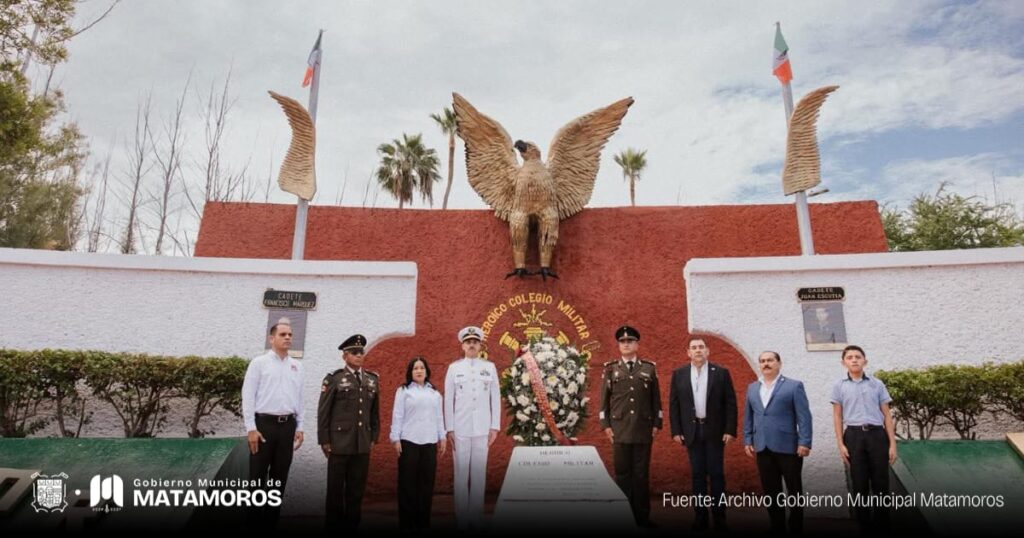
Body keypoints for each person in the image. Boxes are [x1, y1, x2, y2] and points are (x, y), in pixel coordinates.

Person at [668, 336, 737, 532]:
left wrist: (730, 429)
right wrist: (676, 430)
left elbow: (730, 403)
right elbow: (674, 405)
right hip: (692, 431)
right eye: (694, 347)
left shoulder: (721, 373)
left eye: (701, 347)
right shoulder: (679, 374)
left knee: (717, 475)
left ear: (707, 351)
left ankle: (720, 517)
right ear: (688, 352)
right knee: (697, 475)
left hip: (715, 431)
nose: (698, 350)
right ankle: (700, 517)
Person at [241, 320, 305, 528]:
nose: (287, 338)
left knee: (279, 479)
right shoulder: (259, 363)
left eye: (290, 335)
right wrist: (251, 428)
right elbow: (248, 396)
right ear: (271, 338)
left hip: (287, 427)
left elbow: (300, 399)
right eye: (283, 334)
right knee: (257, 478)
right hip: (264, 426)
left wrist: (300, 426)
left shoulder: (297, 366)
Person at [598, 325, 662, 528]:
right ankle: (623, 516)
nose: (626, 344)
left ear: (637, 345)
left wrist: (657, 423)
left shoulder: (649, 368)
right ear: (619, 346)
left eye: (630, 341)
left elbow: (656, 400)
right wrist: (605, 425)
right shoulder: (611, 369)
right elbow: (603, 402)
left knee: (641, 475)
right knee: (623, 475)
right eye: (623, 342)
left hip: (643, 428)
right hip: (619, 430)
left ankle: (642, 517)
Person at [742, 351, 812, 534]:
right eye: (762, 361)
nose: (766, 363)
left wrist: (805, 442)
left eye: (770, 360)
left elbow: (804, 417)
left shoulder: (794, 386)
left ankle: (796, 526)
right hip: (762, 446)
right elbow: (749, 416)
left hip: (789, 447)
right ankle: (777, 525)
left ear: (779, 363)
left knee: (794, 489)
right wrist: (747, 439)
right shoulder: (752, 388)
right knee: (771, 490)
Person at [831, 344, 896, 533]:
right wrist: (840, 444)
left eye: (857, 357)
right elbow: (837, 416)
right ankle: (864, 527)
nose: (854, 360)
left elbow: (887, 415)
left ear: (865, 361)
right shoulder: (839, 386)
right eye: (850, 357)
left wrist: (892, 444)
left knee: (881, 483)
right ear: (843, 362)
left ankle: (882, 527)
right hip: (853, 436)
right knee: (859, 485)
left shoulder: (877, 384)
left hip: (877, 435)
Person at [318, 334, 380, 531]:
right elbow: (324, 412)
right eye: (354, 352)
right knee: (335, 491)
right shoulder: (334, 379)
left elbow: (374, 412)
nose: (359, 355)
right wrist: (324, 440)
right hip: (339, 443)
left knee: (356, 491)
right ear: (344, 356)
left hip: (362, 444)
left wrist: (374, 437)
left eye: (361, 352)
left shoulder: (372, 380)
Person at [444, 326, 501, 531]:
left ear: (480, 346)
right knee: (461, 472)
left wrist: (494, 427)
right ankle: (462, 518)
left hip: (483, 428)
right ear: (462, 346)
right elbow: (448, 399)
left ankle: (476, 518)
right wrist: (449, 428)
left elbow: (496, 397)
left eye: (475, 342)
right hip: (460, 427)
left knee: (478, 473)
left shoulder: (490, 367)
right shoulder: (454, 368)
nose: (471, 345)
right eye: (468, 342)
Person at [390, 356, 447, 530]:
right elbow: (397, 415)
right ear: (410, 372)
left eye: (422, 368)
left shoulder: (434, 393)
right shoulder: (403, 391)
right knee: (407, 485)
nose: (419, 371)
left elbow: (439, 417)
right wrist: (395, 438)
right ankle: (407, 524)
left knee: (426, 485)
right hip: (409, 442)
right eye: (415, 368)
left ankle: (423, 523)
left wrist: (442, 437)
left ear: (427, 371)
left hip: (429, 443)